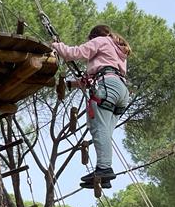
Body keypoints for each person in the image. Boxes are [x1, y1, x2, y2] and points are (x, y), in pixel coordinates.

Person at [50, 25, 131, 189]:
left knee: (99, 129)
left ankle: (104, 169)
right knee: (105, 132)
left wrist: (56, 46)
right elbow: (92, 78)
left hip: (107, 86)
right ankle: (105, 176)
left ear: (92, 37)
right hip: (121, 91)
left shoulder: (101, 40)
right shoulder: (117, 49)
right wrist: (69, 84)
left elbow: (73, 53)